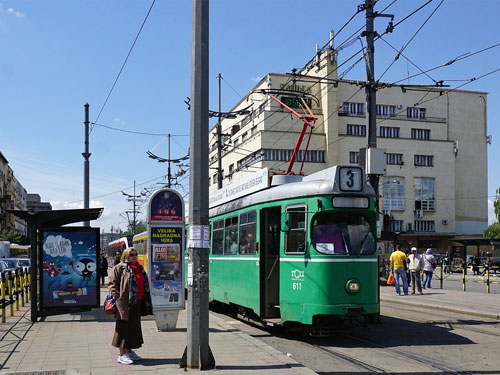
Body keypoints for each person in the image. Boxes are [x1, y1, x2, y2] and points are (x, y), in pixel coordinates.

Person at [108, 248, 153, 365]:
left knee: (133, 327)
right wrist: (118, 297)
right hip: (124, 303)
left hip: (137, 302)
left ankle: (129, 351)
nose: (134, 256)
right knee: (123, 327)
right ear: (126, 256)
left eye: (135, 254)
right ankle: (122, 354)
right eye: (131, 255)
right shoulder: (120, 267)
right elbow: (112, 284)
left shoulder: (139, 268)